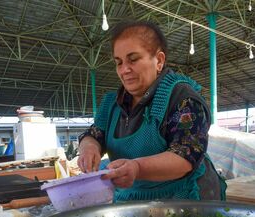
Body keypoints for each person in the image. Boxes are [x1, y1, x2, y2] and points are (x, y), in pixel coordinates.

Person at [77, 20, 226, 201]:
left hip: (186, 197)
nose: (124, 70)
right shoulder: (112, 104)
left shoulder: (182, 98)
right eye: (119, 62)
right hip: (134, 199)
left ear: (159, 60)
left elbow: (186, 155)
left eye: (133, 59)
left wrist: (137, 168)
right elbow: (94, 134)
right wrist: (89, 147)